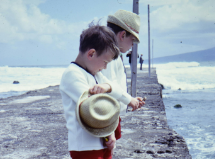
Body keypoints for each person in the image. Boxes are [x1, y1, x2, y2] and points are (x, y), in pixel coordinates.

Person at [60, 24, 144, 159]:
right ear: (91, 54)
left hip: (100, 141)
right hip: (85, 146)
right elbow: (93, 108)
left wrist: (108, 88)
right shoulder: (73, 74)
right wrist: (110, 133)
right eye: (105, 62)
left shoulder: (95, 74)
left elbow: (115, 87)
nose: (105, 67)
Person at [102, 10, 144, 130]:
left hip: (110, 115)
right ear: (122, 35)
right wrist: (128, 99)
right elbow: (110, 87)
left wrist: (130, 99)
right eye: (132, 40)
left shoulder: (111, 53)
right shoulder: (110, 57)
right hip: (108, 117)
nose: (132, 45)